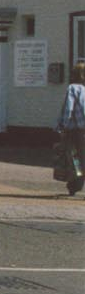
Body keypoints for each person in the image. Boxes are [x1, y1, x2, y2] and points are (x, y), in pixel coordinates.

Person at [54, 60, 85, 196]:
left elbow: (68, 109)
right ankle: (75, 185)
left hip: (78, 131)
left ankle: (74, 185)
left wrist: (62, 126)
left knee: (75, 158)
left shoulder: (74, 88)